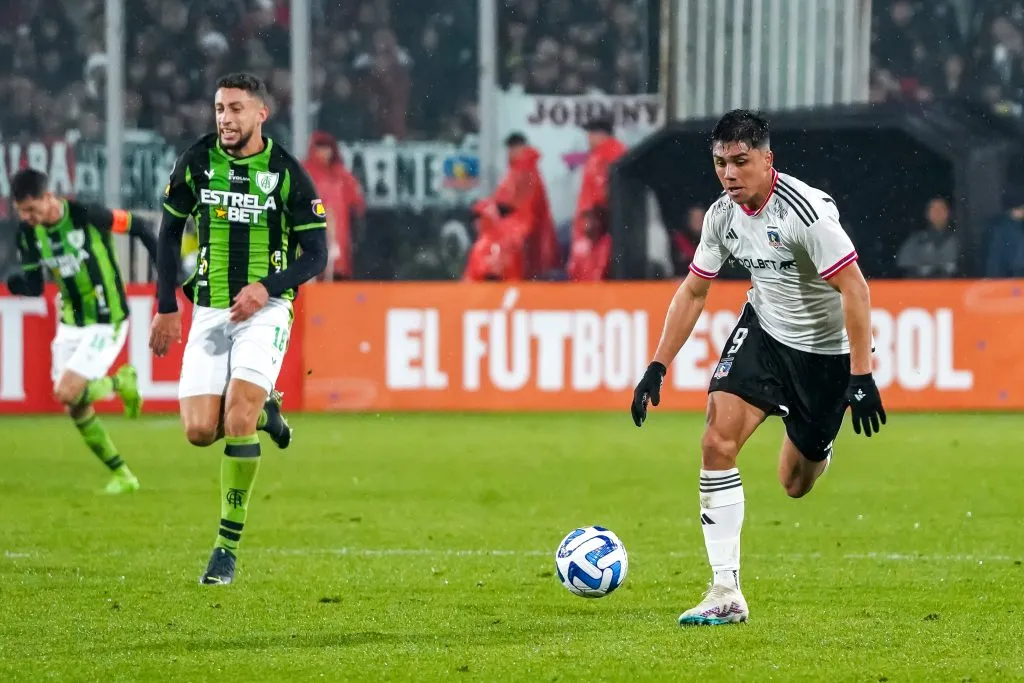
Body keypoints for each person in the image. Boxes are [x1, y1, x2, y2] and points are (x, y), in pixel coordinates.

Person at [630, 110, 886, 626]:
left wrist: (860, 376)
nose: (728, 173)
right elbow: (695, 290)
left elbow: (854, 288)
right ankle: (725, 589)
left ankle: (820, 440)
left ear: (768, 160)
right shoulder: (722, 216)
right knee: (714, 441)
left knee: (795, 482)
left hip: (824, 355)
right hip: (765, 332)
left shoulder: (806, 214)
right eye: (720, 162)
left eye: (740, 161)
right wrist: (657, 365)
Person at [149, 73, 328, 586]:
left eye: (235, 109)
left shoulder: (287, 174)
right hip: (209, 308)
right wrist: (167, 306)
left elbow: (316, 254)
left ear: (259, 114)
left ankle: (225, 549)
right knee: (200, 431)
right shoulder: (198, 161)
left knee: (239, 415)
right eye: (219, 109)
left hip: (266, 309)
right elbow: (168, 232)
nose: (225, 118)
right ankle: (270, 411)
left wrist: (267, 286)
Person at [5, 168, 155, 494]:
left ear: (49, 196)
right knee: (74, 405)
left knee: (66, 391)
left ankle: (120, 381)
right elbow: (32, 285)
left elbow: (138, 226)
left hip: (107, 317)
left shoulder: (86, 214)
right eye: (22, 212)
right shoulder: (27, 233)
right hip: (71, 322)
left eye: (33, 209)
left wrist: (165, 275)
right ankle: (123, 475)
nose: (29, 217)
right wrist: (15, 282)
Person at [567, 116, 627, 281]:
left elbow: (601, 196)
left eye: (591, 133)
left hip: (599, 230)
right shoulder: (613, 153)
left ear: (602, 134)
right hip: (604, 228)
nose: (588, 138)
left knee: (594, 271)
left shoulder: (604, 156)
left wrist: (592, 219)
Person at [493, 132, 558, 279]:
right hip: (523, 236)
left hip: (523, 238)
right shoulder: (524, 169)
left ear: (520, 148)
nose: (508, 153)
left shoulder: (524, 171)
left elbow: (514, 206)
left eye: (511, 148)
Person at [896, 196, 958, 278]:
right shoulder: (915, 242)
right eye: (933, 209)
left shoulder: (959, 242)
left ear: (949, 212)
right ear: (927, 214)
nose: (937, 212)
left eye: (941, 208)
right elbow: (905, 269)